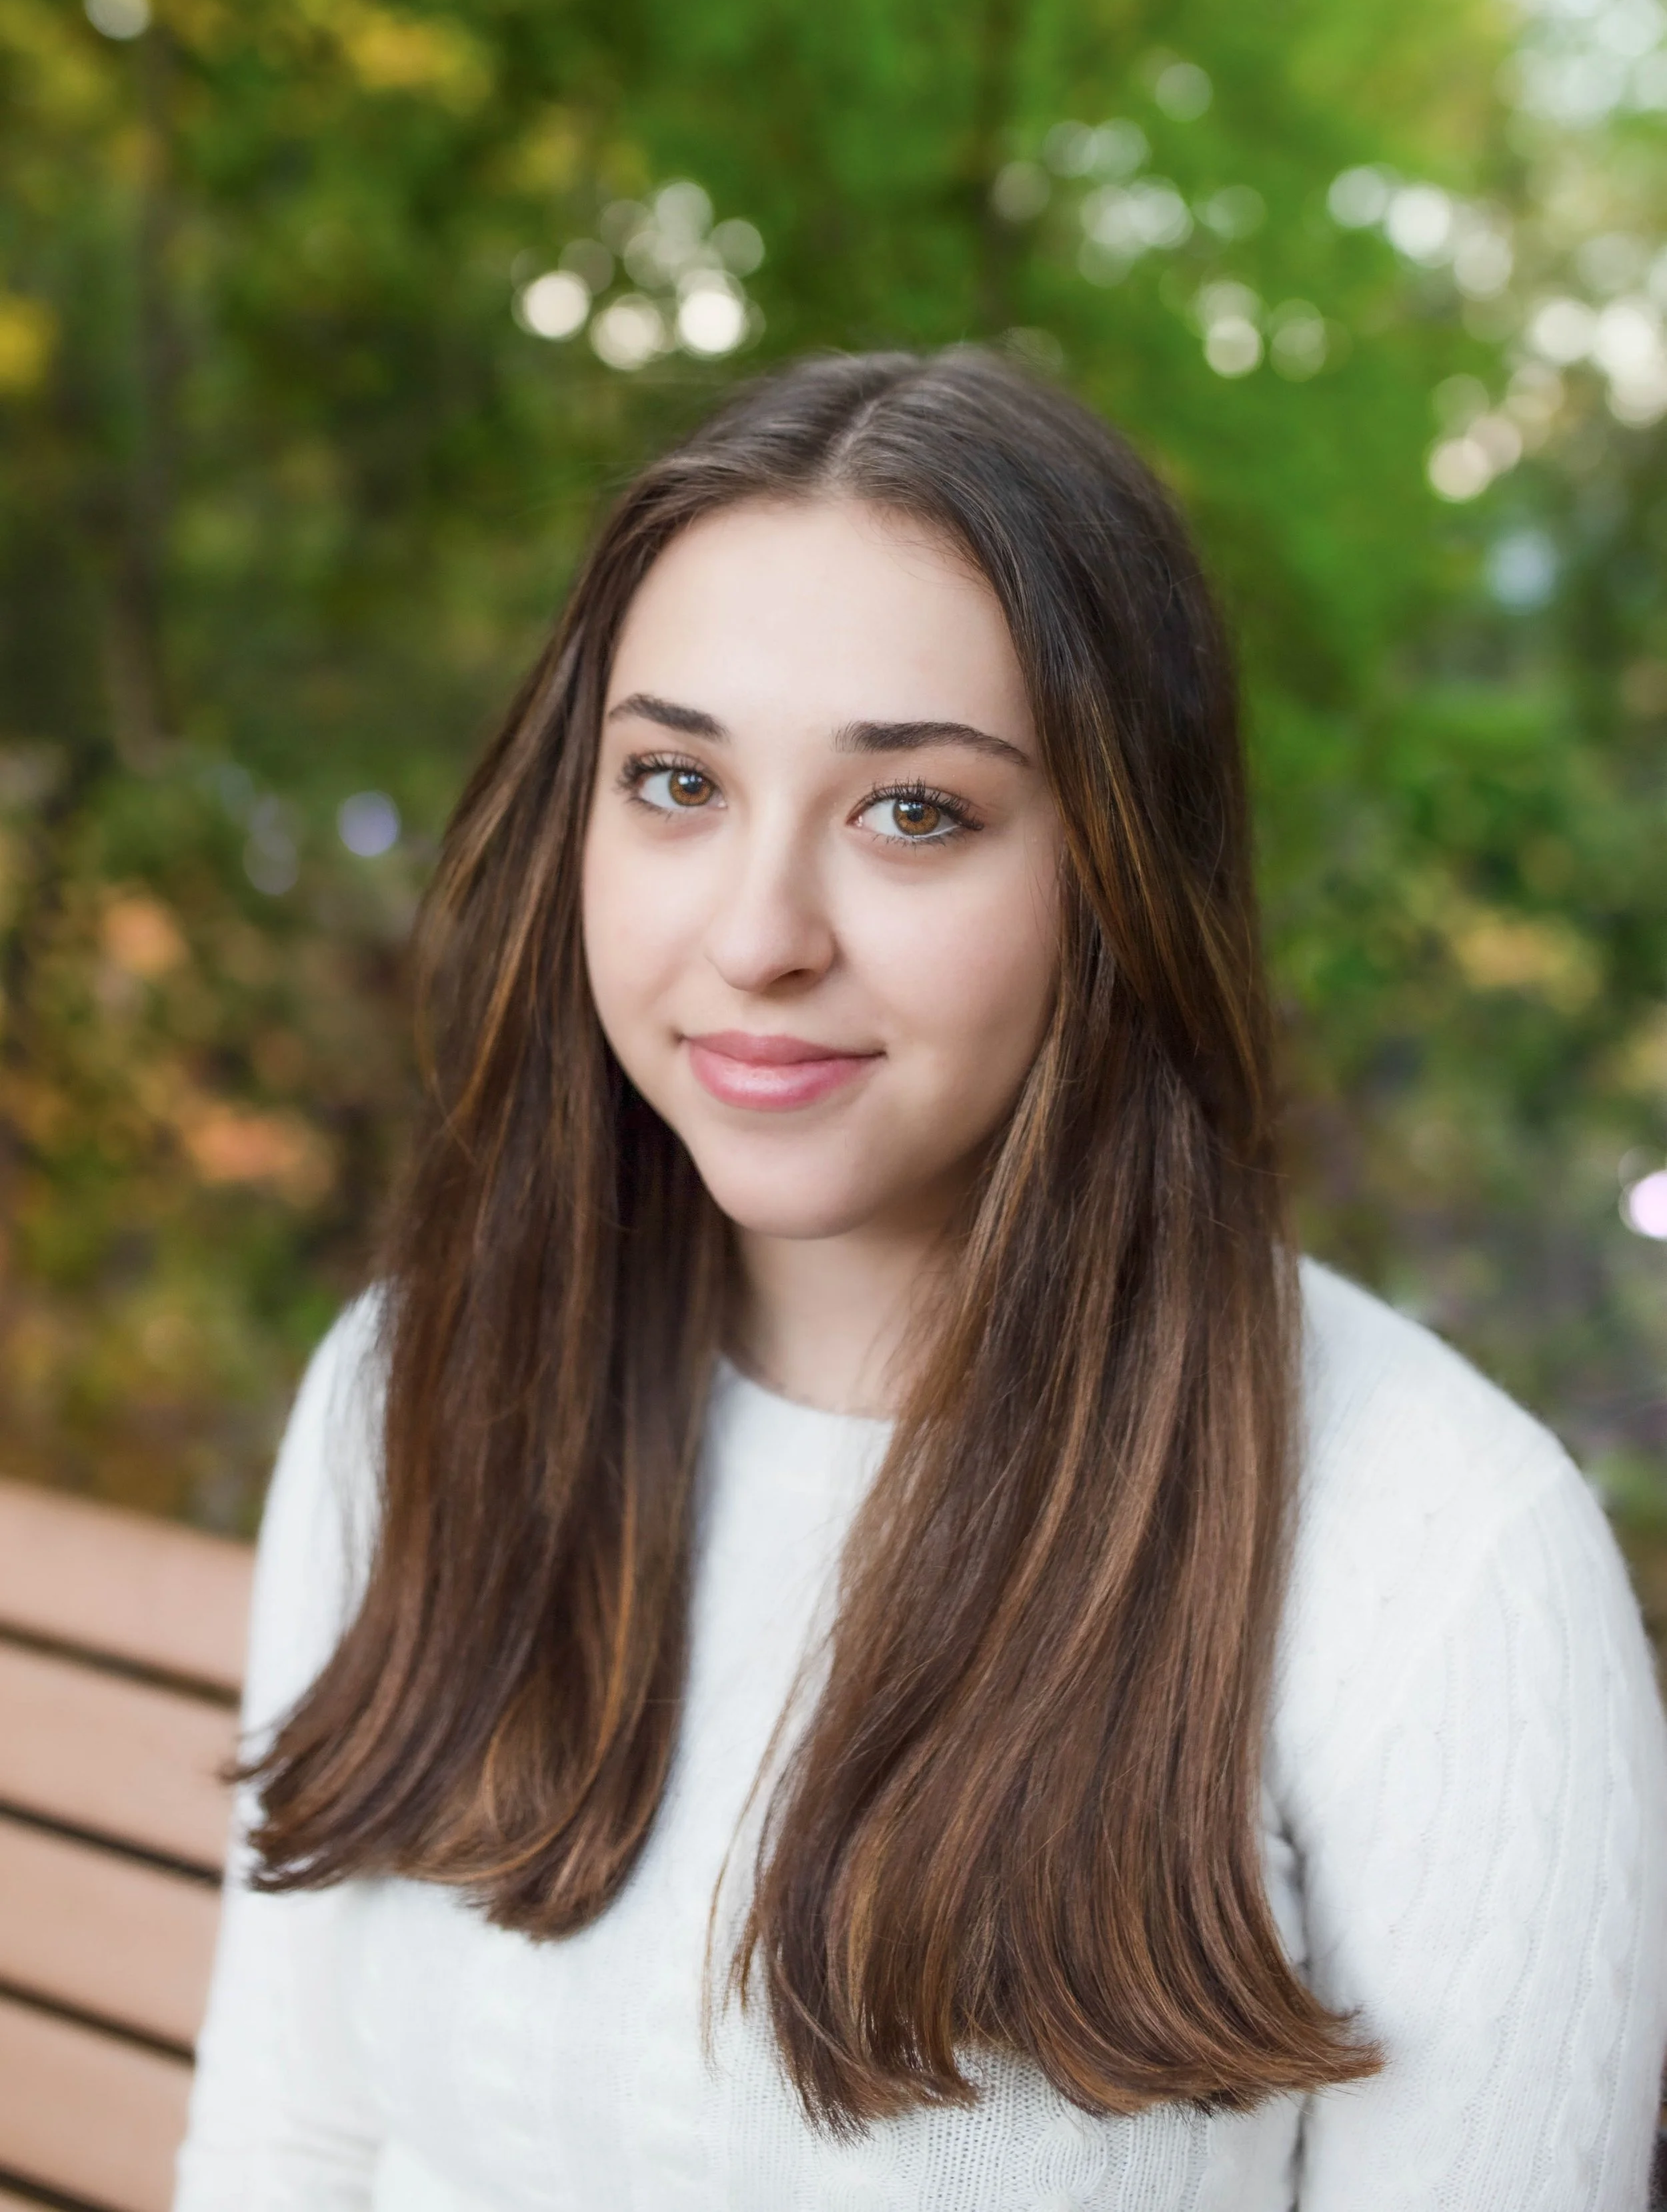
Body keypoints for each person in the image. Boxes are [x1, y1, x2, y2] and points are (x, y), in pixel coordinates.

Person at [175, 349, 1667, 2211]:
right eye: (674, 779)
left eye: (913, 811)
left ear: (1113, 877)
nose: (757, 934)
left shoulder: (1442, 1563)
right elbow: (293, 2148)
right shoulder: (419, 1389)